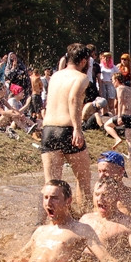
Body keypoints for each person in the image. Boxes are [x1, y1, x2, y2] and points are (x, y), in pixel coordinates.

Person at [41, 43, 93, 209]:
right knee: (83, 180)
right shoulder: (81, 77)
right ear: (84, 61)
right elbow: (73, 99)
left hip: (48, 130)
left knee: (51, 185)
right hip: (68, 129)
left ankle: (45, 224)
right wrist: (77, 129)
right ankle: (84, 218)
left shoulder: (55, 76)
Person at [79, 180, 131, 262]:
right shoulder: (86, 219)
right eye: (97, 194)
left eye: (105, 195)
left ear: (117, 196)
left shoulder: (128, 226)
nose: (100, 199)